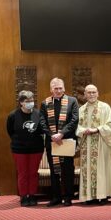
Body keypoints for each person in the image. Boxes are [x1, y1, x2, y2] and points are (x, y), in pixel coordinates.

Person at [40, 78, 79, 207]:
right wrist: (52, 135)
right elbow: (42, 122)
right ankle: (56, 197)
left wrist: (61, 134)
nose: (58, 90)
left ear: (64, 88)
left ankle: (68, 197)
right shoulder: (45, 103)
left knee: (68, 170)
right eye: (55, 88)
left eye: (60, 88)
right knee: (54, 170)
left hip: (66, 140)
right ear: (51, 89)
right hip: (52, 142)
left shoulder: (72, 101)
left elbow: (74, 120)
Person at [76, 85, 111, 205]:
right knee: (88, 169)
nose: (91, 95)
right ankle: (89, 196)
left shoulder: (105, 107)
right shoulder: (81, 109)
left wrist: (97, 129)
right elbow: (76, 126)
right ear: (85, 94)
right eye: (89, 93)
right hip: (86, 145)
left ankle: (102, 195)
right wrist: (83, 130)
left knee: (101, 169)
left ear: (98, 93)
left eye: (94, 92)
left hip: (101, 143)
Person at [7, 90, 45, 207]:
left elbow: (42, 130)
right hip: (19, 149)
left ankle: (32, 195)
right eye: (27, 101)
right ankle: (24, 196)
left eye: (32, 101)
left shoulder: (38, 114)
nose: (30, 103)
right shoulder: (13, 115)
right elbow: (10, 131)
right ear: (21, 103)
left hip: (36, 148)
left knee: (33, 173)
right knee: (23, 173)